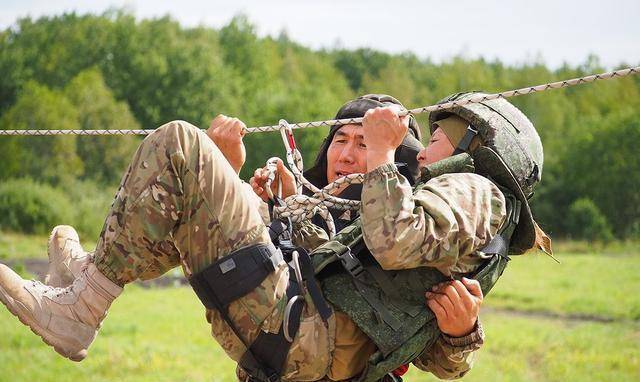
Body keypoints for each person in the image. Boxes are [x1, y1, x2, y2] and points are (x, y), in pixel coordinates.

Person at [0, 92, 543, 381]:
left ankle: (83, 302)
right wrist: (237, 182)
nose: (350, 152)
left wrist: (460, 334)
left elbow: (395, 248)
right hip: (292, 340)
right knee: (190, 169)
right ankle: (88, 285)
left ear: (479, 146)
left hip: (305, 341)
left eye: (443, 136)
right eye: (341, 140)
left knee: (181, 145)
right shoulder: (370, 203)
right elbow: (310, 263)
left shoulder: (469, 191)